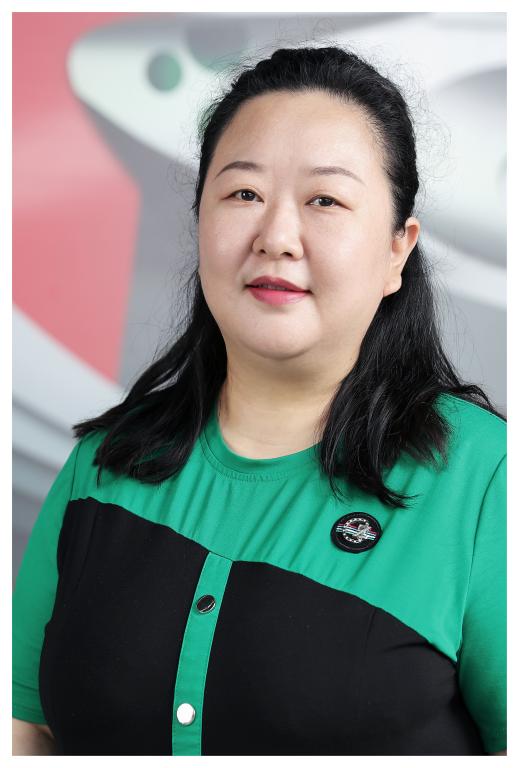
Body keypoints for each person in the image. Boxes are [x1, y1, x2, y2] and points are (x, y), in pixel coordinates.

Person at [12, 44, 506, 756]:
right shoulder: (104, 462)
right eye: (243, 193)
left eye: (325, 200)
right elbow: (24, 728)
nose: (275, 236)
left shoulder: (486, 481)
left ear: (397, 250)